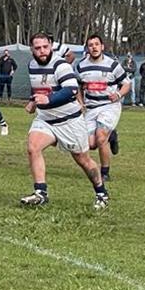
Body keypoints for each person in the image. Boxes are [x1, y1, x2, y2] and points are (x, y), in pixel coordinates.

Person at [20, 33, 109, 209]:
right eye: (37, 48)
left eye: (45, 47)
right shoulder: (31, 65)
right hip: (45, 119)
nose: (42, 51)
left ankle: (101, 193)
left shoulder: (61, 65)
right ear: (32, 49)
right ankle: (40, 193)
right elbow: (40, 86)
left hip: (69, 121)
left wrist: (49, 100)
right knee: (33, 147)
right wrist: (33, 101)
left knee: (83, 159)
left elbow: (71, 90)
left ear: (51, 45)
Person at [75, 34, 130, 181]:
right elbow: (77, 87)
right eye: (91, 45)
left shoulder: (112, 64)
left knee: (100, 138)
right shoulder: (81, 66)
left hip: (109, 106)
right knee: (90, 144)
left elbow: (126, 83)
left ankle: (105, 173)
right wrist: (80, 103)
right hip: (91, 108)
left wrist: (118, 94)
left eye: (96, 44)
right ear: (88, 48)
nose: (94, 47)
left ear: (102, 47)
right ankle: (112, 135)